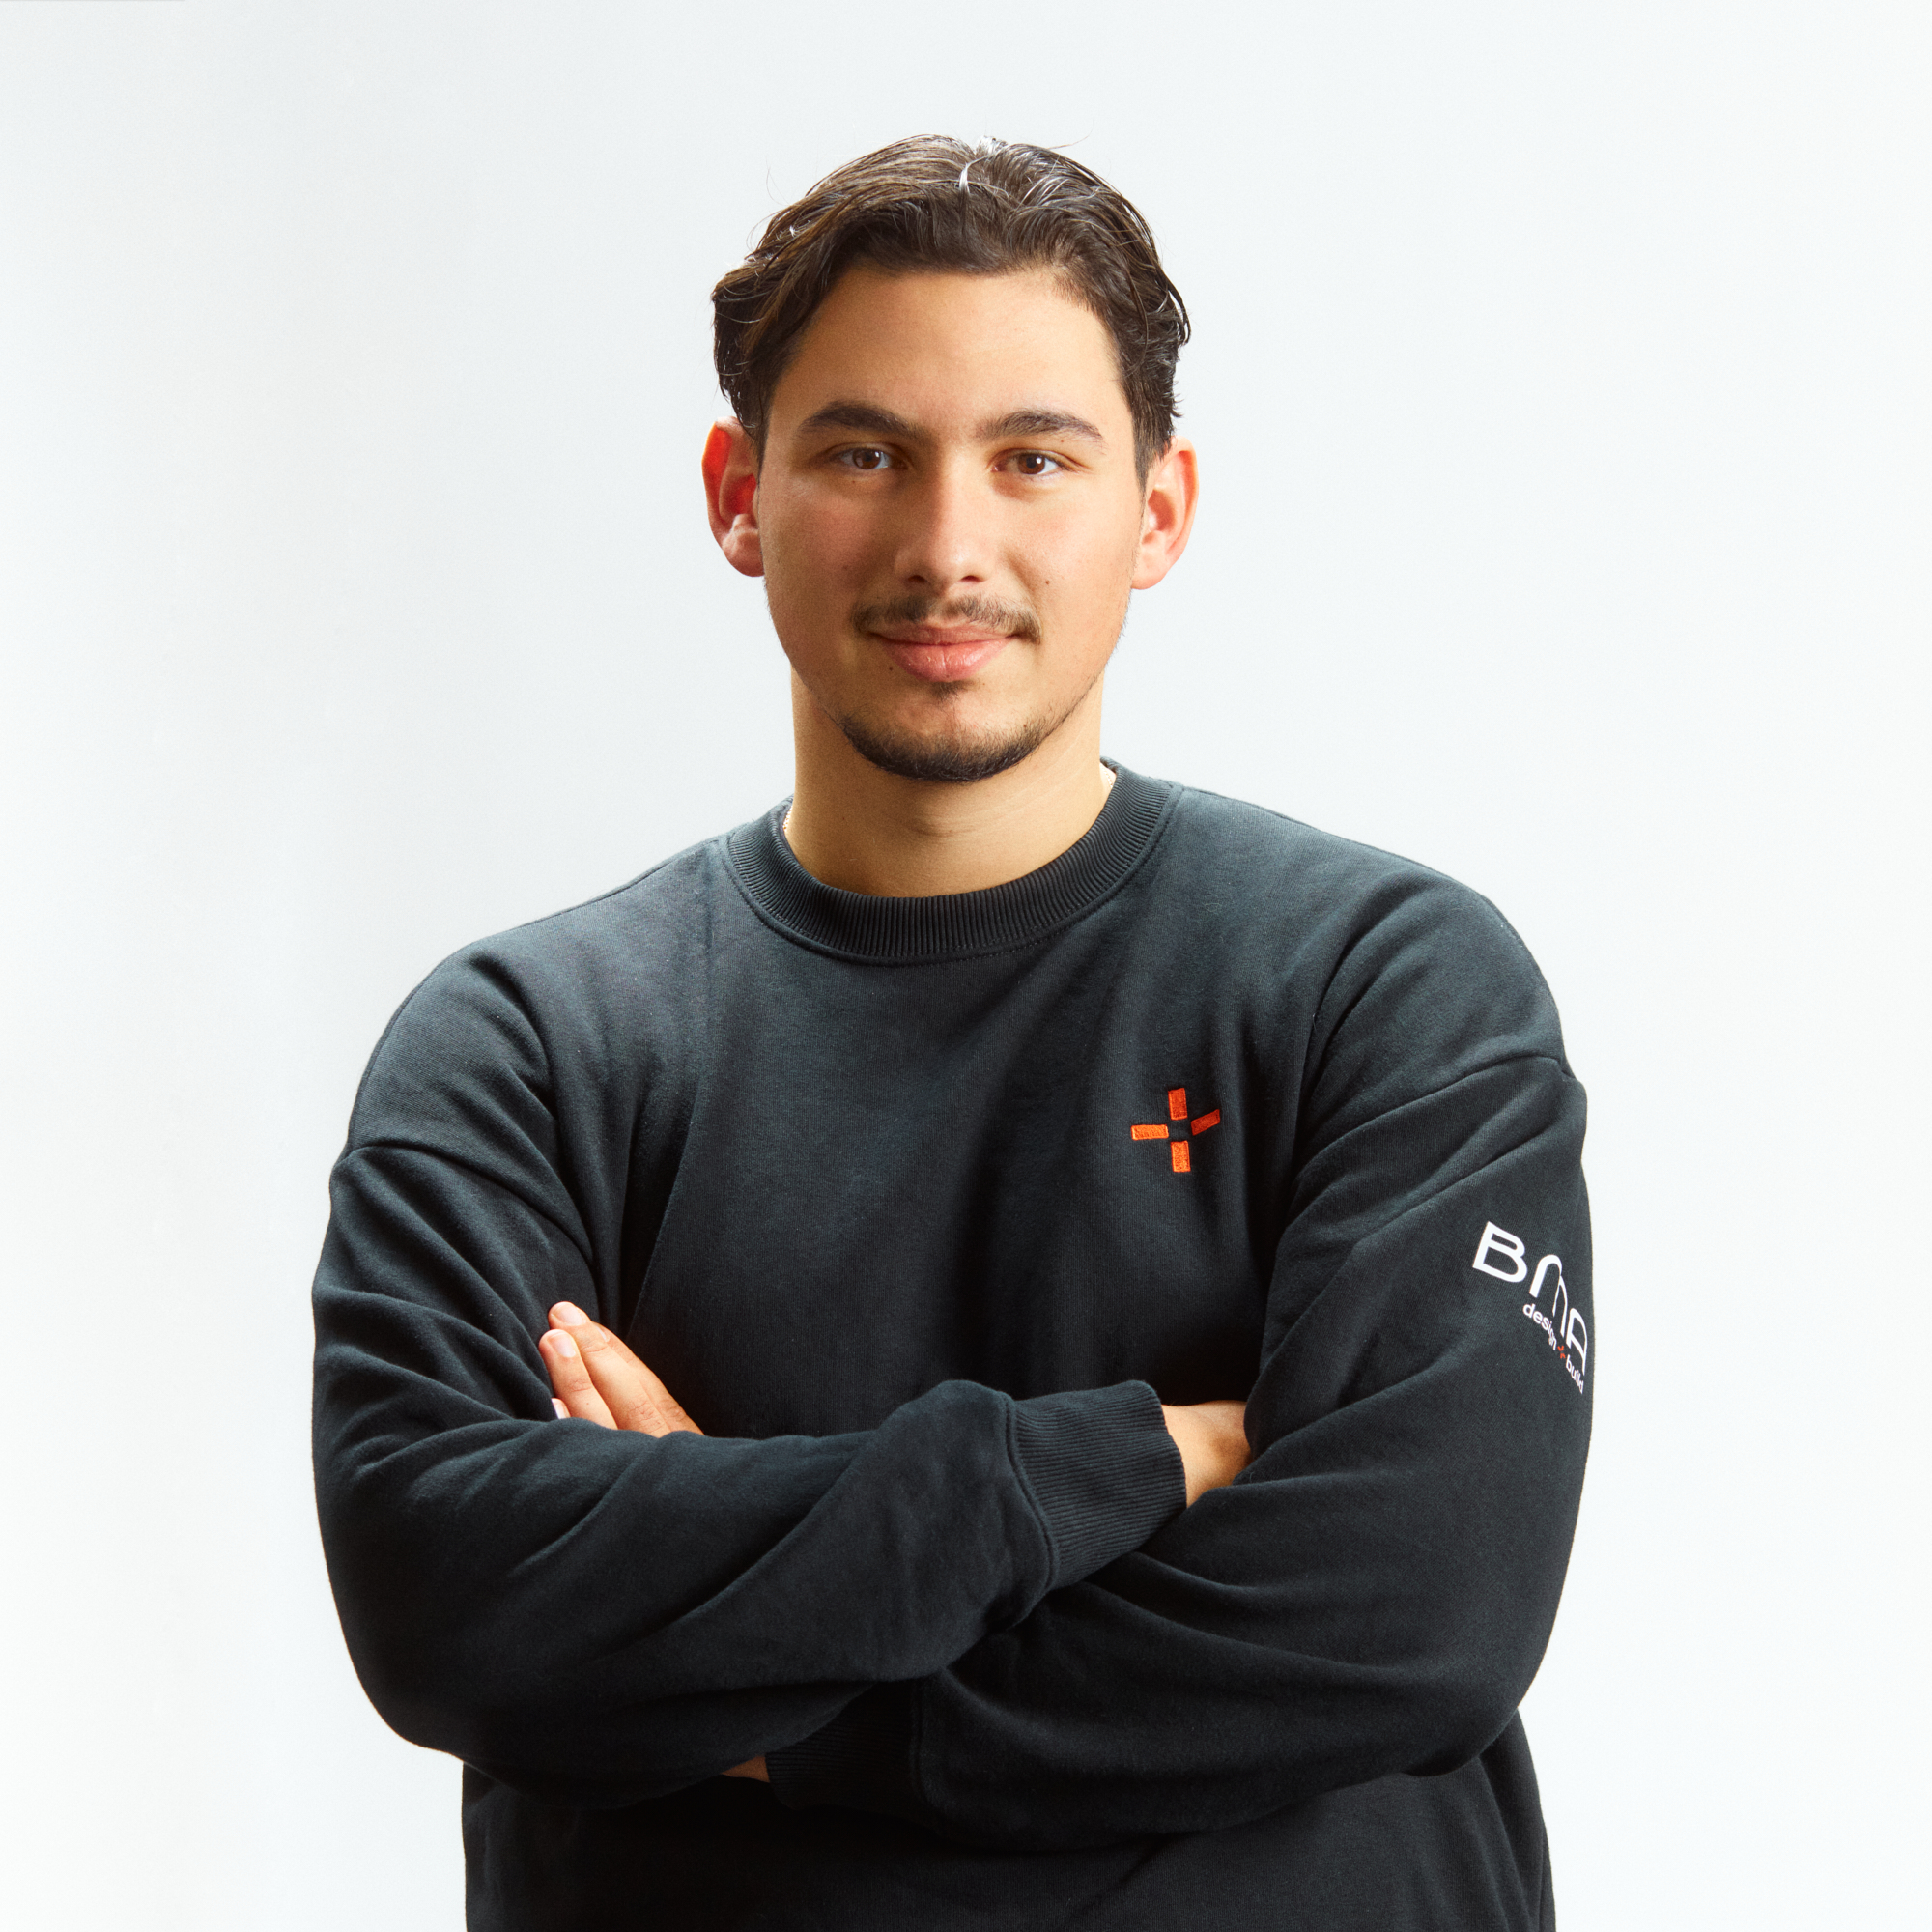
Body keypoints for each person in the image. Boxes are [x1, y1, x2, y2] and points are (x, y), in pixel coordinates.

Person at [312, 136, 1592, 1931]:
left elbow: (1412, 1611)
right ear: (739, 496)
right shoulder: (529, 1047)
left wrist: (758, 1684)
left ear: (1158, 510)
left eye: (1033, 458)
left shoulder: (1385, 987)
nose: (946, 549)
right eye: (864, 454)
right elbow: (448, 1597)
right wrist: (1118, 1465)